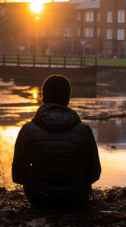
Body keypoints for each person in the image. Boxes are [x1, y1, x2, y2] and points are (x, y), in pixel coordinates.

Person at [12, 74, 101, 210]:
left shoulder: (27, 130)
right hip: (75, 200)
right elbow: (94, 173)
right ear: (68, 99)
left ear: (43, 98)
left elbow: (18, 175)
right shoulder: (84, 130)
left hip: (39, 200)